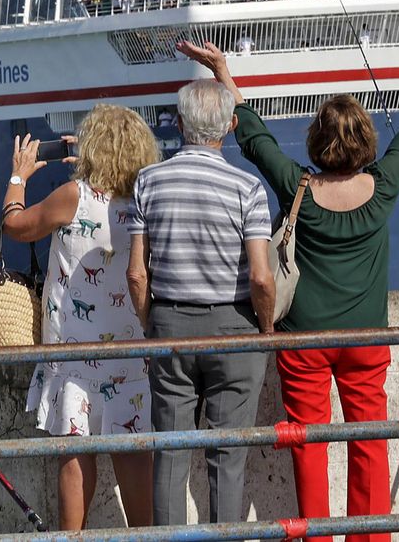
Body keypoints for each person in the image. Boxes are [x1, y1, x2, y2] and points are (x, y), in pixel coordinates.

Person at [178, 27, 399, 542]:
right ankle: (370, 537)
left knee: (309, 444)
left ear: (317, 141)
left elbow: (252, 135)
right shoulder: (384, 183)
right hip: (367, 342)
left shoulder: (296, 184)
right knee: (370, 442)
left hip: (304, 343)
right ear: (365, 140)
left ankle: (316, 537)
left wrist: (222, 72)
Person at [126, 79, 275, 528]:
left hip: (170, 324)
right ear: (230, 125)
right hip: (235, 327)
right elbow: (262, 278)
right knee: (228, 456)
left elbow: (136, 273)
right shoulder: (247, 188)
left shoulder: (148, 181)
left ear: (179, 121)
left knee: (170, 450)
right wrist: (265, 329)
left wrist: (153, 322)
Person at [2, 106, 157, 529]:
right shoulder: (145, 199)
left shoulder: (74, 196)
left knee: (75, 456)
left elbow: (15, 225)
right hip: (131, 354)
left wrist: (19, 176)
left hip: (75, 354)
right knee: (135, 457)